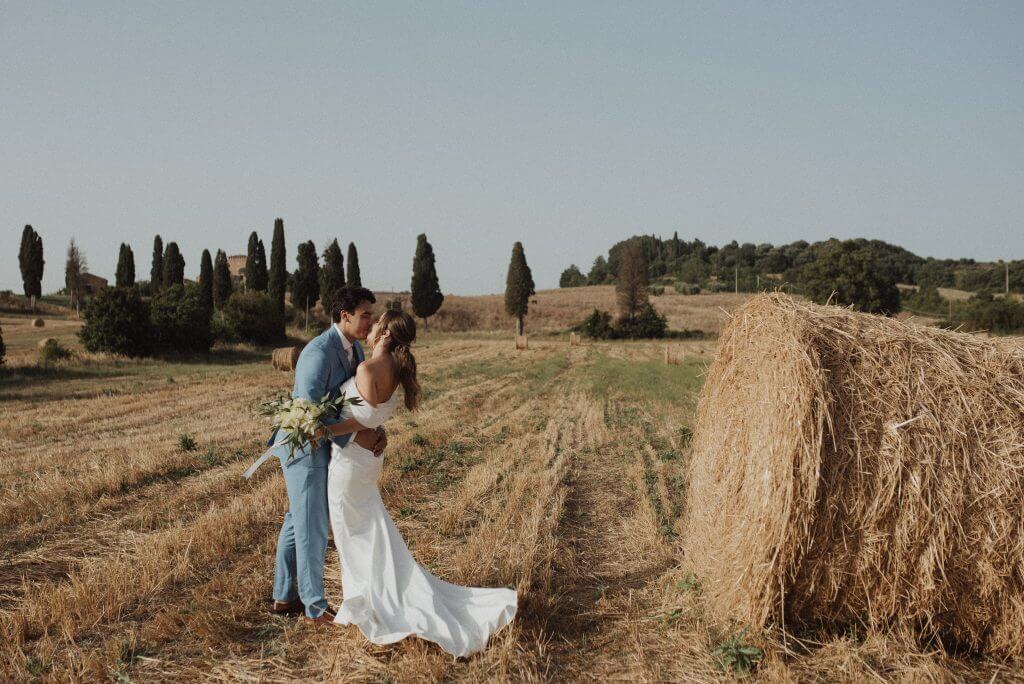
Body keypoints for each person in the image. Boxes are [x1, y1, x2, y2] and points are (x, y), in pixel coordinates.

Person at [321, 308, 518, 657]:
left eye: (376, 323)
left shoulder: (367, 369)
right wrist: (374, 430)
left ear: (384, 334)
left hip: (352, 463)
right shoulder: (396, 370)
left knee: (354, 535)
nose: (371, 327)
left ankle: (372, 604)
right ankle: (370, 597)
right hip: (368, 462)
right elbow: (371, 417)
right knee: (372, 532)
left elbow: (360, 419)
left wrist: (322, 430)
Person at [265, 287, 388, 623]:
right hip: (303, 448)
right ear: (344, 315)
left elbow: (356, 402)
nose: (371, 321)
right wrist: (359, 433)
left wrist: (374, 429)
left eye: (371, 315)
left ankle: (283, 597)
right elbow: (308, 414)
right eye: (365, 315)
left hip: (326, 446)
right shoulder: (318, 353)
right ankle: (314, 606)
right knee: (313, 528)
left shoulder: (355, 349)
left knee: (298, 522)